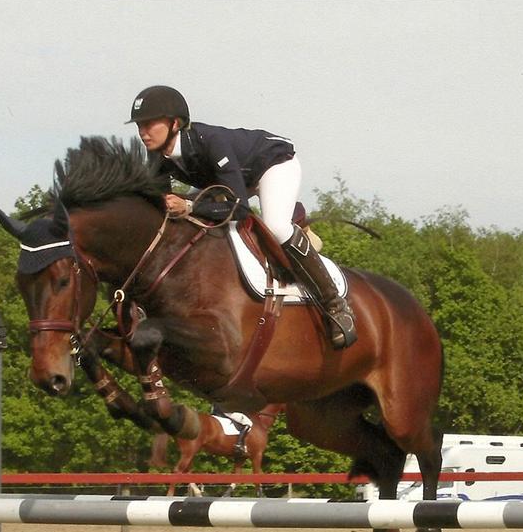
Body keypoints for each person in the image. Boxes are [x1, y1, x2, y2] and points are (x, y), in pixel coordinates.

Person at [126, 85, 356, 350]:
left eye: (148, 124)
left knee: (276, 227)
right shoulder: (156, 156)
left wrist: (189, 207)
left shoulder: (211, 141)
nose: (142, 132)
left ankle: (335, 305)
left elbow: (241, 209)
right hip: (226, 179)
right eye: (139, 126)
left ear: (175, 123)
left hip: (272, 165)